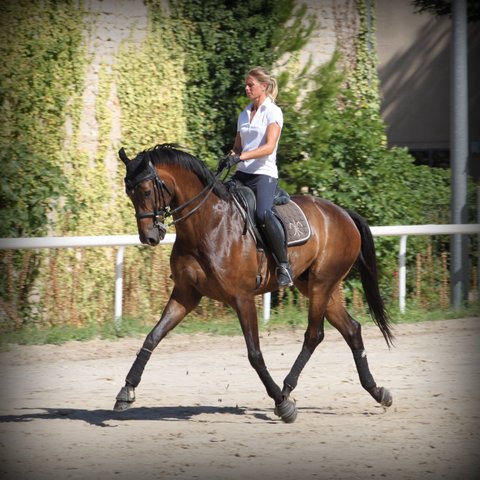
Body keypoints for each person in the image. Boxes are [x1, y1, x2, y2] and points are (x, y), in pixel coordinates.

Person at [224, 66, 293, 288]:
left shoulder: (273, 112)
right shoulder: (244, 113)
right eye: (246, 84)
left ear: (263, 86)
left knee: (262, 214)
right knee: (219, 204)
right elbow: (237, 146)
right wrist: (231, 156)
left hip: (264, 175)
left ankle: (283, 265)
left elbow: (269, 147)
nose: (246, 88)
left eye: (250, 85)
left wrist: (241, 155)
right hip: (243, 174)